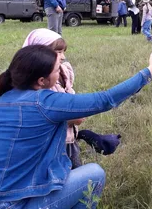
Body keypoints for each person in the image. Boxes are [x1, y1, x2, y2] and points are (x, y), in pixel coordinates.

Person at [0, 44, 152, 209]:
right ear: (41, 81)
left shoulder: (3, 101)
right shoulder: (44, 101)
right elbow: (106, 99)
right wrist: (150, 70)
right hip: (10, 204)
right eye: (57, 69)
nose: (61, 70)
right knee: (94, 174)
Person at [22, 28, 121, 169]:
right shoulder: (38, 86)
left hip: (69, 139)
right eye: (58, 52)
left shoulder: (63, 73)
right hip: (52, 145)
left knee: (75, 168)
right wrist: (71, 117)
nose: (62, 57)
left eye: (63, 52)